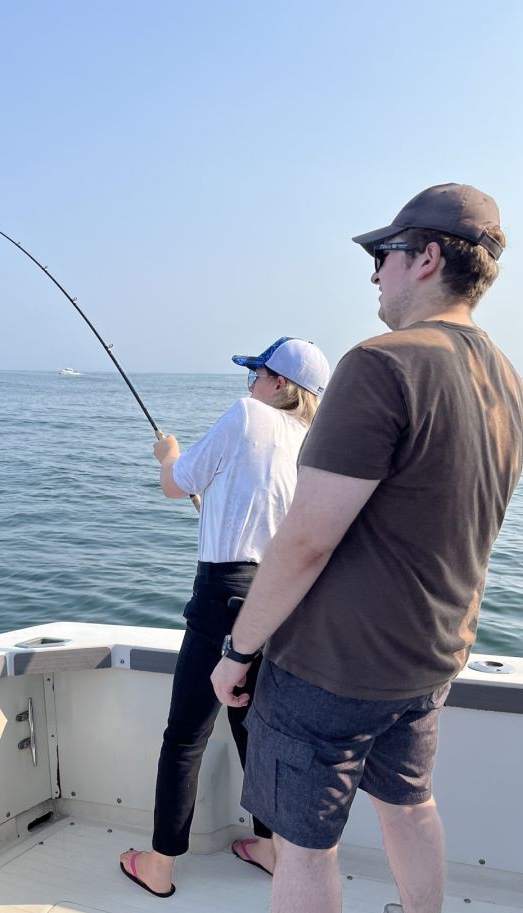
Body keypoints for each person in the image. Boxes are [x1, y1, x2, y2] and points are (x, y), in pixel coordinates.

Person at [211, 184, 523, 913]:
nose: (374, 272)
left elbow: (306, 539)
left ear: (427, 257)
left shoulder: (380, 363)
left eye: (383, 255)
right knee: (408, 803)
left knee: (302, 843)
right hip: (430, 659)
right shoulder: (506, 377)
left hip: (333, 667)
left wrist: (238, 648)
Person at [119, 338, 330, 897]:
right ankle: (272, 846)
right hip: (281, 600)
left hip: (224, 597)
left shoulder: (247, 415)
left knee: (186, 734)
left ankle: (160, 864)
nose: (251, 386)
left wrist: (168, 453)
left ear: (280, 384)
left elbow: (175, 484)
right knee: (256, 729)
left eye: (257, 375)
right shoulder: (312, 442)